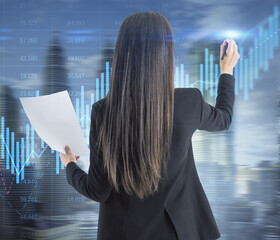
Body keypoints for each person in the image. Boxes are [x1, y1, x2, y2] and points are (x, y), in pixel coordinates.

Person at [60, 11, 240, 240]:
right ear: (166, 54)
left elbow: (98, 190)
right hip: (178, 233)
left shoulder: (102, 112)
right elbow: (224, 118)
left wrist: (69, 167)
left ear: (122, 55)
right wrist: (227, 72)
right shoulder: (188, 103)